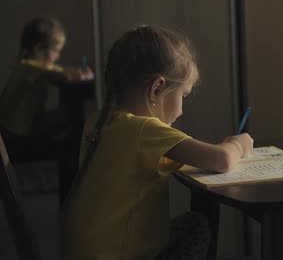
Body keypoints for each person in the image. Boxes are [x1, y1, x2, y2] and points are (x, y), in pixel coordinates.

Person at [62, 25, 254, 260]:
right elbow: (221, 160)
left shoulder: (100, 120)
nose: (181, 110)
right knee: (196, 226)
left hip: (86, 252)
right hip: (120, 255)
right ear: (157, 88)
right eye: (183, 96)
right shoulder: (143, 129)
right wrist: (237, 144)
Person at [0, 17, 94, 158]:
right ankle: (74, 156)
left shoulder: (26, 65)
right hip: (19, 132)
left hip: (14, 129)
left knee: (66, 116)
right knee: (70, 115)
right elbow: (64, 75)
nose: (57, 57)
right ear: (38, 49)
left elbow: (56, 69)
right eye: (56, 51)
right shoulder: (30, 68)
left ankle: (72, 152)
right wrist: (84, 75)